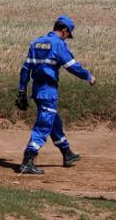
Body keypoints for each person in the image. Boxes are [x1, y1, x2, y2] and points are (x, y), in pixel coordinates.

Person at [15, 15, 96, 175]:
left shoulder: (36, 42)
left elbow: (26, 69)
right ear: (64, 30)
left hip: (37, 90)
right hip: (48, 91)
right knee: (44, 124)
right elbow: (72, 66)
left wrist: (22, 90)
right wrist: (88, 76)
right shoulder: (58, 44)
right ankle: (28, 159)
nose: (67, 38)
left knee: (54, 121)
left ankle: (67, 153)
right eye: (68, 34)